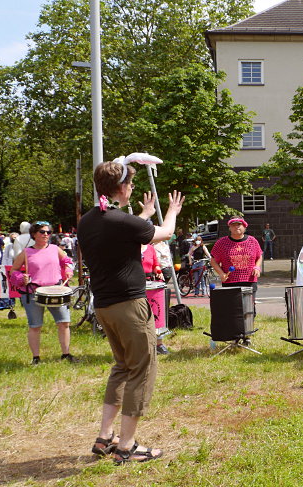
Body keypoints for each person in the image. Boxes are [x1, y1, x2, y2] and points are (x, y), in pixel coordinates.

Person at [78, 159, 184, 464]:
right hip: (129, 306)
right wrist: (172, 212)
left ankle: (104, 437)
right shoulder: (121, 221)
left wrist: (143, 215)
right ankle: (127, 445)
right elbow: (164, 234)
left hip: (105, 307)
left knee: (122, 367)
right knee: (141, 370)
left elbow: (122, 231)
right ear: (121, 187)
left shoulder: (89, 220)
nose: (134, 187)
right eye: (131, 183)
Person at [9, 221, 76, 365]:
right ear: (34, 234)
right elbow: (13, 270)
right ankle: (36, 358)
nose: (46, 234)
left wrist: (69, 270)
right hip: (33, 293)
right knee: (35, 326)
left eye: (48, 232)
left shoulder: (55, 249)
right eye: (42, 232)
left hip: (56, 291)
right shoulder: (27, 252)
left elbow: (67, 260)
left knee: (64, 323)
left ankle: (66, 354)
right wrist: (21, 278)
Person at [211, 216, 263, 346]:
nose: (237, 227)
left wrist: (257, 267)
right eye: (233, 225)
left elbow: (259, 256)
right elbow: (213, 260)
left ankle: (247, 335)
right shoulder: (222, 243)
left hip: (249, 280)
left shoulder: (252, 241)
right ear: (229, 228)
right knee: (233, 310)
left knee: (249, 309)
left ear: (244, 227)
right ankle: (235, 335)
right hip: (231, 282)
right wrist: (221, 274)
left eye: (239, 225)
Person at [141, 243, 169, 356]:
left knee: (157, 313)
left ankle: (159, 344)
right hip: (135, 283)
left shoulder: (151, 249)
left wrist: (159, 272)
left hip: (150, 283)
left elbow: (155, 265)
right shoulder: (130, 246)